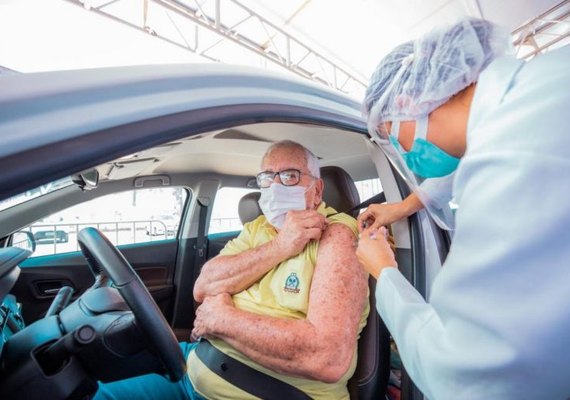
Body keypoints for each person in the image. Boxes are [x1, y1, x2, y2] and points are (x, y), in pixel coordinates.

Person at [356, 17, 570, 400]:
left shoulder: (511, 160)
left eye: (391, 136)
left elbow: (466, 375)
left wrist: (384, 271)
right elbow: (446, 180)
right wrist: (400, 208)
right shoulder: (540, 89)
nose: (403, 154)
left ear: (410, 104)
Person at [95, 140, 369, 400]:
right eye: (266, 178)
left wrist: (221, 320)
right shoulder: (258, 228)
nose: (275, 186)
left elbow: (327, 357)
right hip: (195, 366)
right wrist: (281, 245)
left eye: (290, 176)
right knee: (91, 388)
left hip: (265, 390)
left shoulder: (338, 235)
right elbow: (204, 286)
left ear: (317, 190)